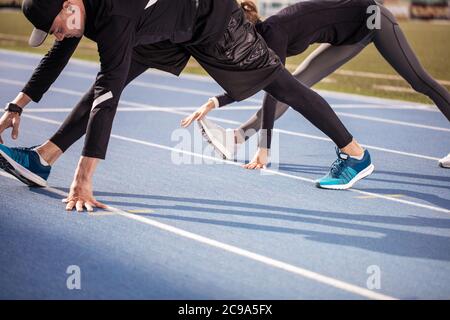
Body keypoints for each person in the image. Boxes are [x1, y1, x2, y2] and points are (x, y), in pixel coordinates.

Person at [0, 0, 375, 213]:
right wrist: (16, 106)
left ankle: (353, 152)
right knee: (110, 79)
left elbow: (107, 94)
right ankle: (43, 159)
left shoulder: (113, 16)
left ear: (69, 6)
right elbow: (57, 55)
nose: (59, 34)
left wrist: (83, 180)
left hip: (212, 21)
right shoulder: (80, 10)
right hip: (165, 25)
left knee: (282, 85)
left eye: (58, 26)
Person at [181, 0, 450, 168]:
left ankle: (239, 138)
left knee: (420, 82)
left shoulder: (273, 34)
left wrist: (264, 149)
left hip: (372, 17)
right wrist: (216, 101)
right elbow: (270, 83)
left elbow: (271, 91)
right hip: (350, 35)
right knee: (295, 87)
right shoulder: (264, 38)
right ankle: (237, 138)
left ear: (246, 30)